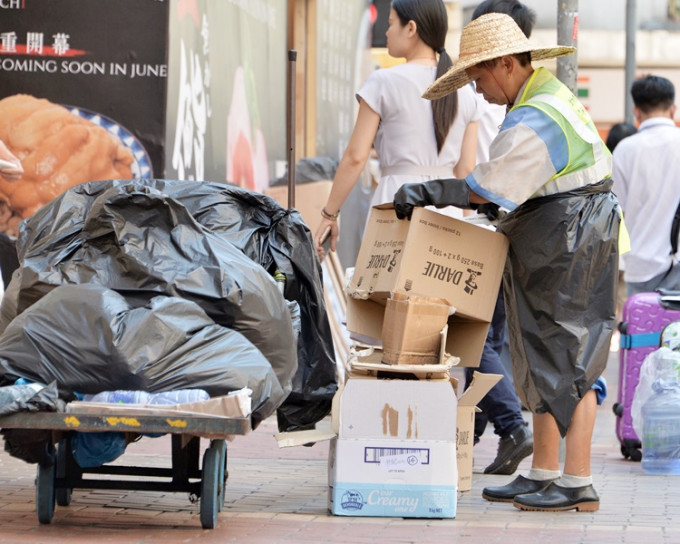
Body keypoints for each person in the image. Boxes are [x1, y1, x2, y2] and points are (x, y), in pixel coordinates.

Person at [393, 13, 620, 512]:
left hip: (570, 238)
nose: (479, 91)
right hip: (559, 235)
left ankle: (577, 480)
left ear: (506, 64)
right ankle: (542, 472)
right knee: (541, 356)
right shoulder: (541, 99)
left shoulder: (539, 114)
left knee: (570, 361)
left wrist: (430, 191)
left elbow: (485, 188)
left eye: (478, 78)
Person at [313, 0, 485, 260]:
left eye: (391, 23)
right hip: (448, 210)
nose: (386, 31)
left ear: (411, 28)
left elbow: (356, 156)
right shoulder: (466, 91)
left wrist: (330, 213)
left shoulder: (383, 82)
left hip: (394, 203)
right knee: (435, 299)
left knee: (382, 296)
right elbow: (466, 169)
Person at [463, 0, 536, 477]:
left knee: (473, 339)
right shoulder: (514, 101)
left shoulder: (522, 109)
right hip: (505, 234)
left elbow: (475, 181)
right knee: (492, 338)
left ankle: (510, 425)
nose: (477, 87)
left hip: (485, 232)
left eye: (480, 74)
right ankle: (482, 426)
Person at [612, 75, 680, 296]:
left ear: (637, 111)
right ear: (673, 109)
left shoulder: (625, 149)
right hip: (678, 263)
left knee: (644, 329)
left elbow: (616, 208)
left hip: (640, 267)